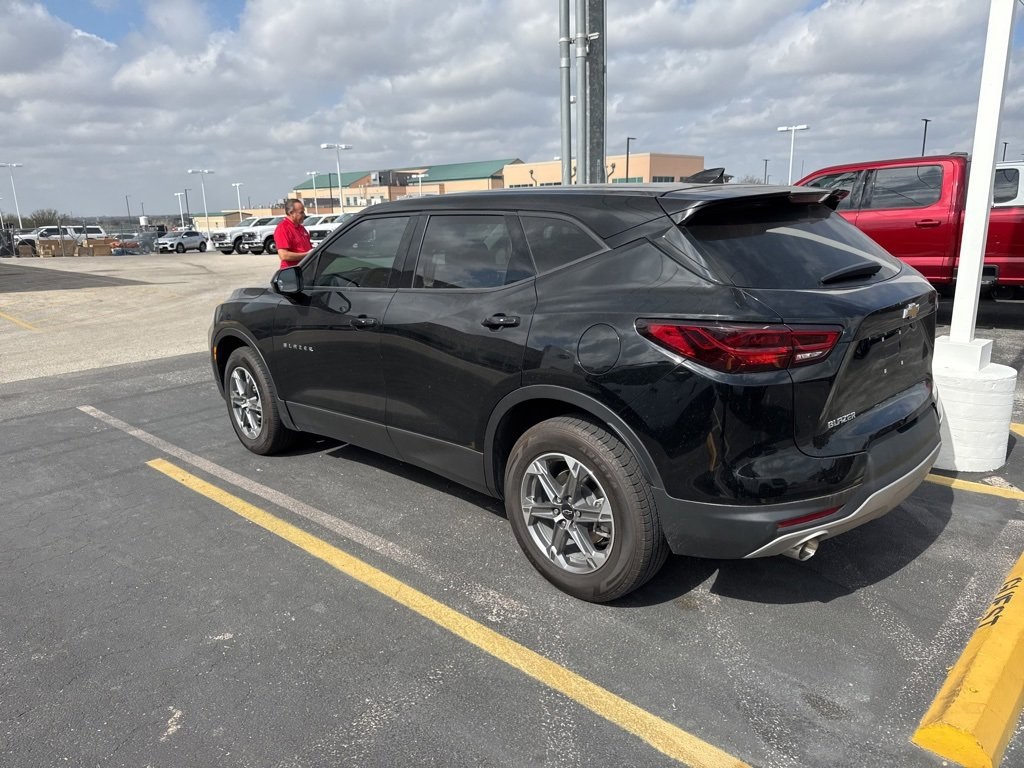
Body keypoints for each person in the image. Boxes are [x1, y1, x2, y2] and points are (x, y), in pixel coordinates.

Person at [274, 199, 312, 269]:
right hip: (293, 272)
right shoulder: (283, 228)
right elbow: (284, 255)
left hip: (305, 269)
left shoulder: (301, 228)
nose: (304, 215)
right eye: (301, 212)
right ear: (291, 213)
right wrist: (307, 255)